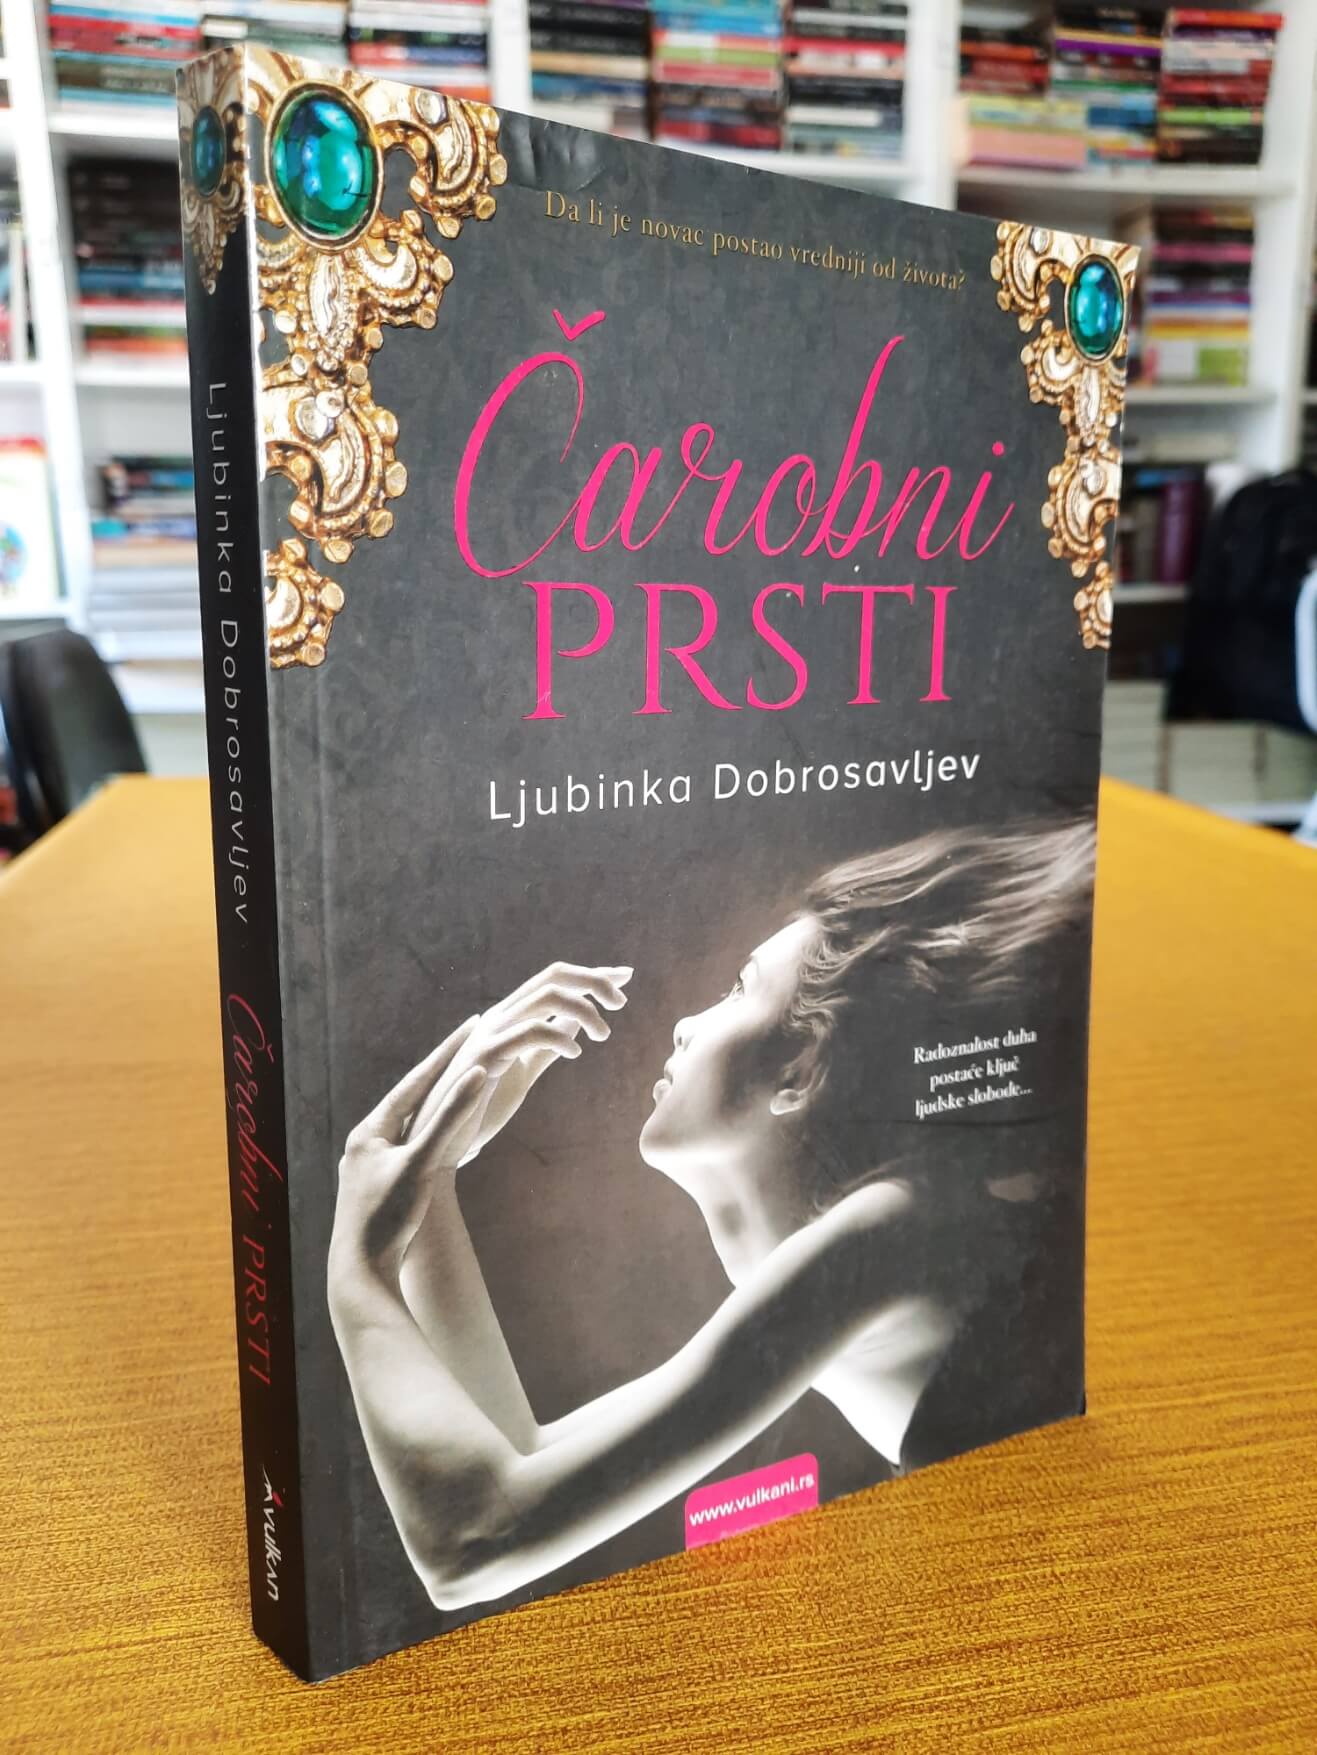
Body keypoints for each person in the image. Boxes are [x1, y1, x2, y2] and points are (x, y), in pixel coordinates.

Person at [328, 819, 1094, 1612]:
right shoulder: (880, 1237)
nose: (683, 1024)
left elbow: (473, 1539)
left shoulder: (892, 1229)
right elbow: (516, 1458)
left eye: (737, 987)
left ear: (800, 1067)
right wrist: (434, 1179)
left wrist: (356, 1267)